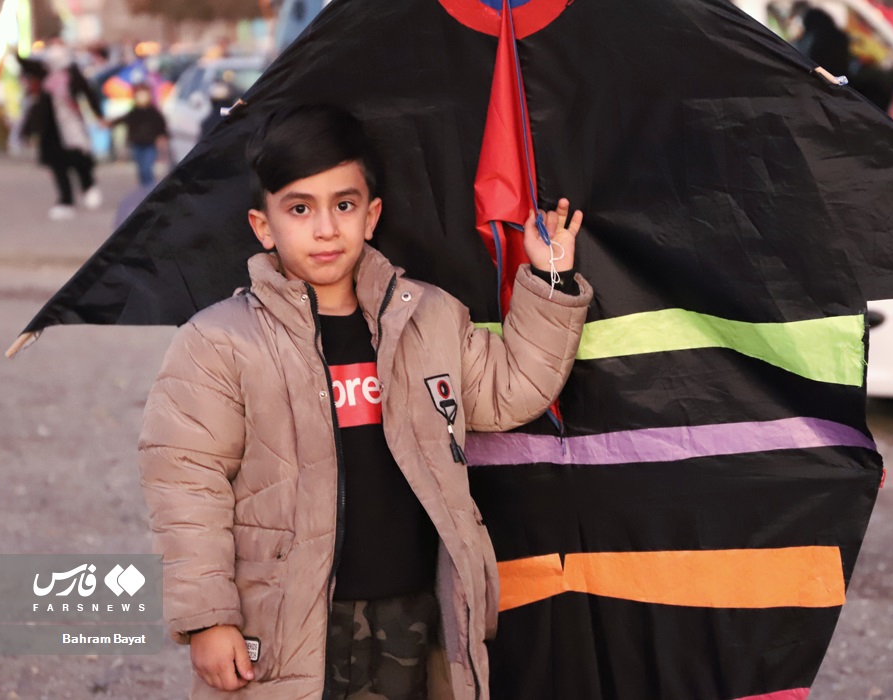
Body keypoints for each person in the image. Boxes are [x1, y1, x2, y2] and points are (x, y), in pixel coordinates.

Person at [138, 105, 592, 700]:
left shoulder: (428, 316)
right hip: (287, 621)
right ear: (263, 226)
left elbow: (510, 393)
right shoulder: (219, 341)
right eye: (300, 209)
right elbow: (187, 486)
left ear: (371, 215)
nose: (325, 229)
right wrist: (207, 617)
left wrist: (551, 278)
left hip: (413, 610)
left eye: (343, 205)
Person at [20, 41, 104, 221]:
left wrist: (99, 115)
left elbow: (88, 94)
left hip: (73, 128)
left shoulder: (73, 75)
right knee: (58, 168)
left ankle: (88, 186)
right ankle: (66, 201)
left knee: (80, 162)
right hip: (52, 133)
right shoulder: (45, 77)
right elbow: (38, 108)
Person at [105, 84, 167, 187]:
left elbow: (161, 126)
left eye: (144, 95)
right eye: (139, 96)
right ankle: (144, 189)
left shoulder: (153, 112)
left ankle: (150, 189)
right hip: (136, 144)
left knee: (147, 168)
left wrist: (162, 137)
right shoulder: (133, 112)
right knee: (141, 170)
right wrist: (109, 123)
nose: (141, 98)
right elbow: (122, 119)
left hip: (150, 144)